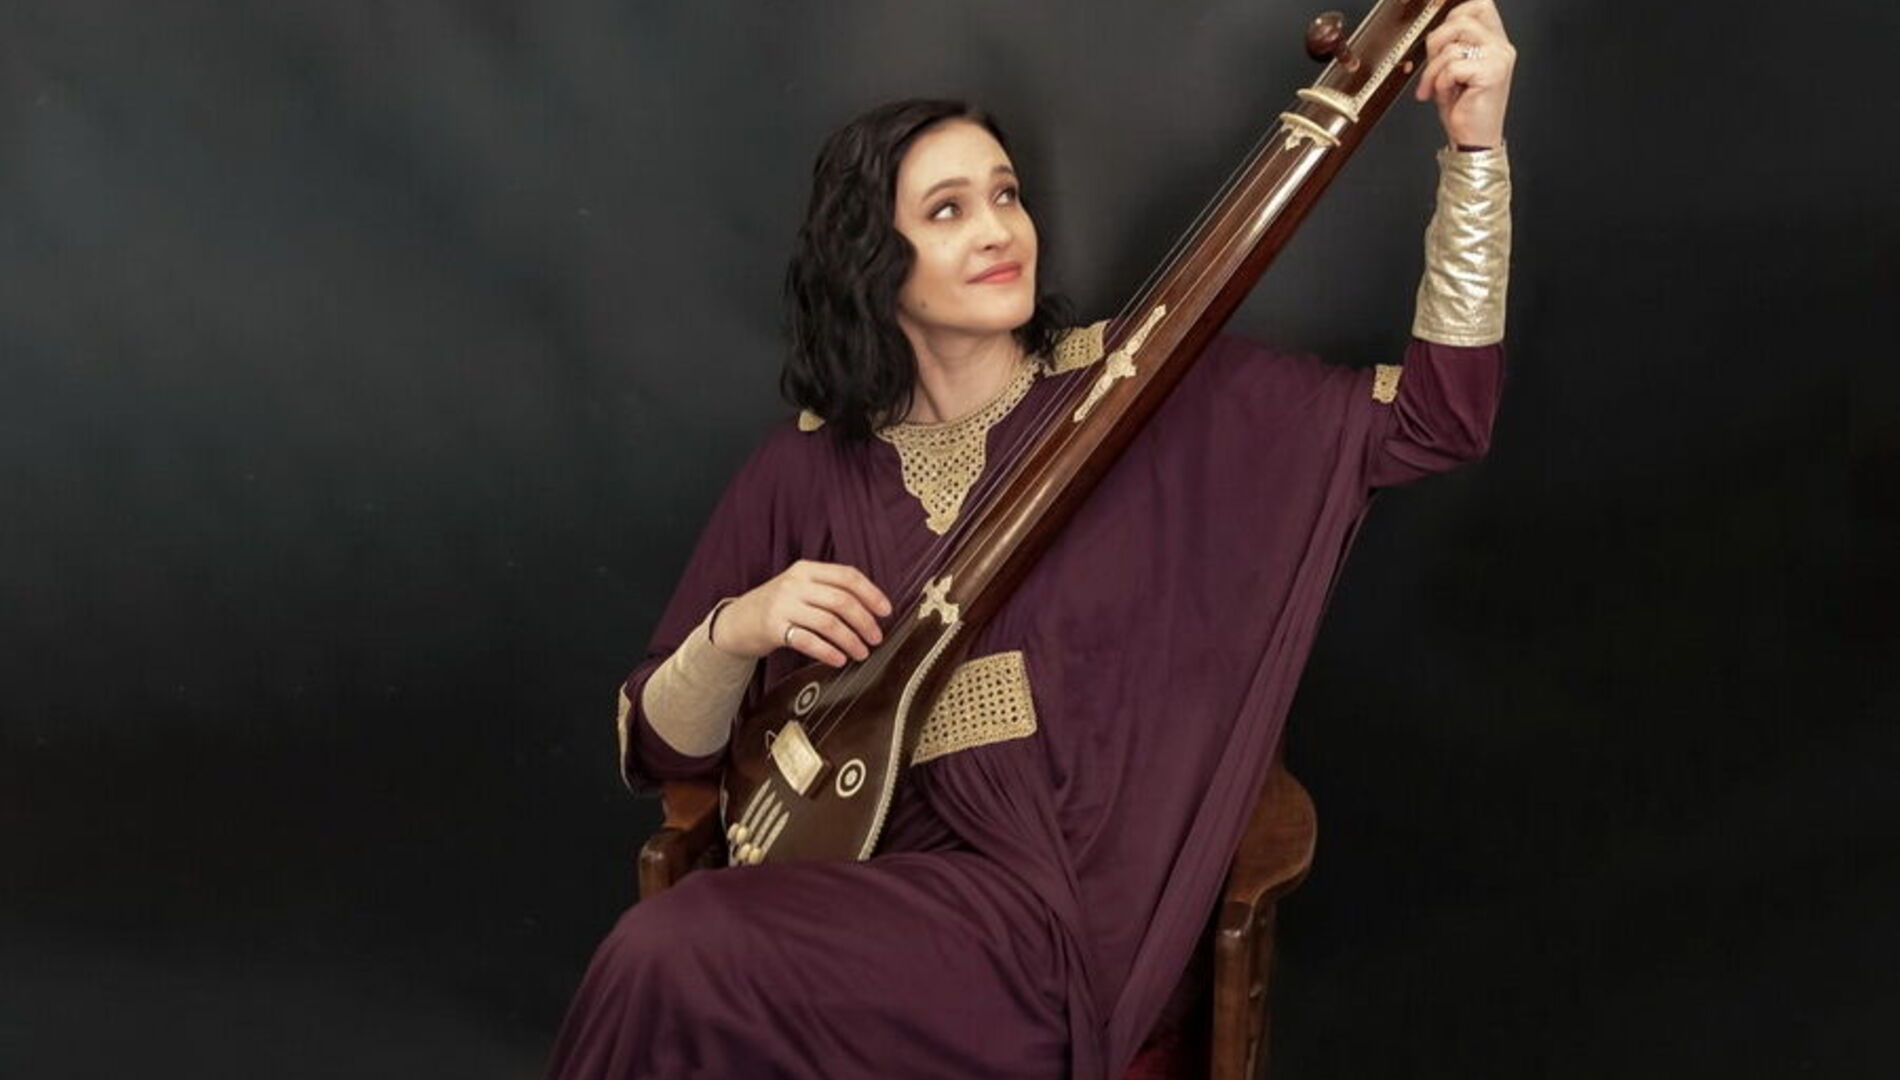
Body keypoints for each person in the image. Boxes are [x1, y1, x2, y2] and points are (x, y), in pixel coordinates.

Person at [548, 4, 1517, 1077]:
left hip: (1042, 933)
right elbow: (661, 749)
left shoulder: (1142, 391)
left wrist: (1474, 155)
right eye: (948, 209)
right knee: (682, 955)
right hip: (838, 901)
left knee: (673, 947)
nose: (998, 230)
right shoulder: (807, 466)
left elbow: (1439, 420)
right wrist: (739, 627)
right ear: (871, 260)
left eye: (1006, 195)